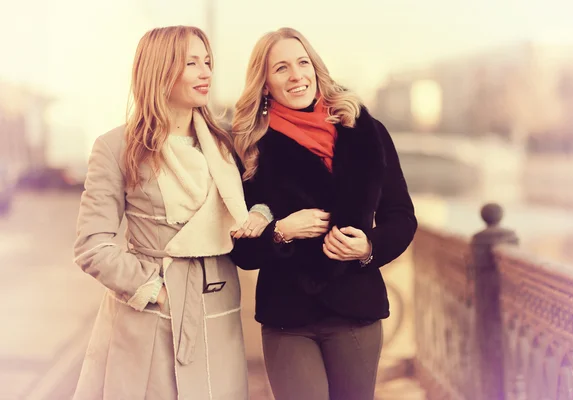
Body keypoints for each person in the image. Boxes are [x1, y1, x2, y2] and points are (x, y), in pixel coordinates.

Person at [72, 25, 268, 400]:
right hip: (149, 312)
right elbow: (92, 246)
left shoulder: (228, 143)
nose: (206, 72)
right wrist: (157, 291)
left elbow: (267, 197)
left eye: (207, 62)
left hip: (218, 307)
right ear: (160, 70)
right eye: (191, 63)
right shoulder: (116, 147)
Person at [230, 27, 418, 400]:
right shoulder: (250, 146)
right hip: (287, 316)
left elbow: (401, 216)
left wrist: (368, 247)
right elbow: (240, 250)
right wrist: (281, 231)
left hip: (355, 308)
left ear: (316, 69)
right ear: (265, 84)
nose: (297, 75)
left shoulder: (366, 131)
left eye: (303, 63)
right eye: (281, 68)